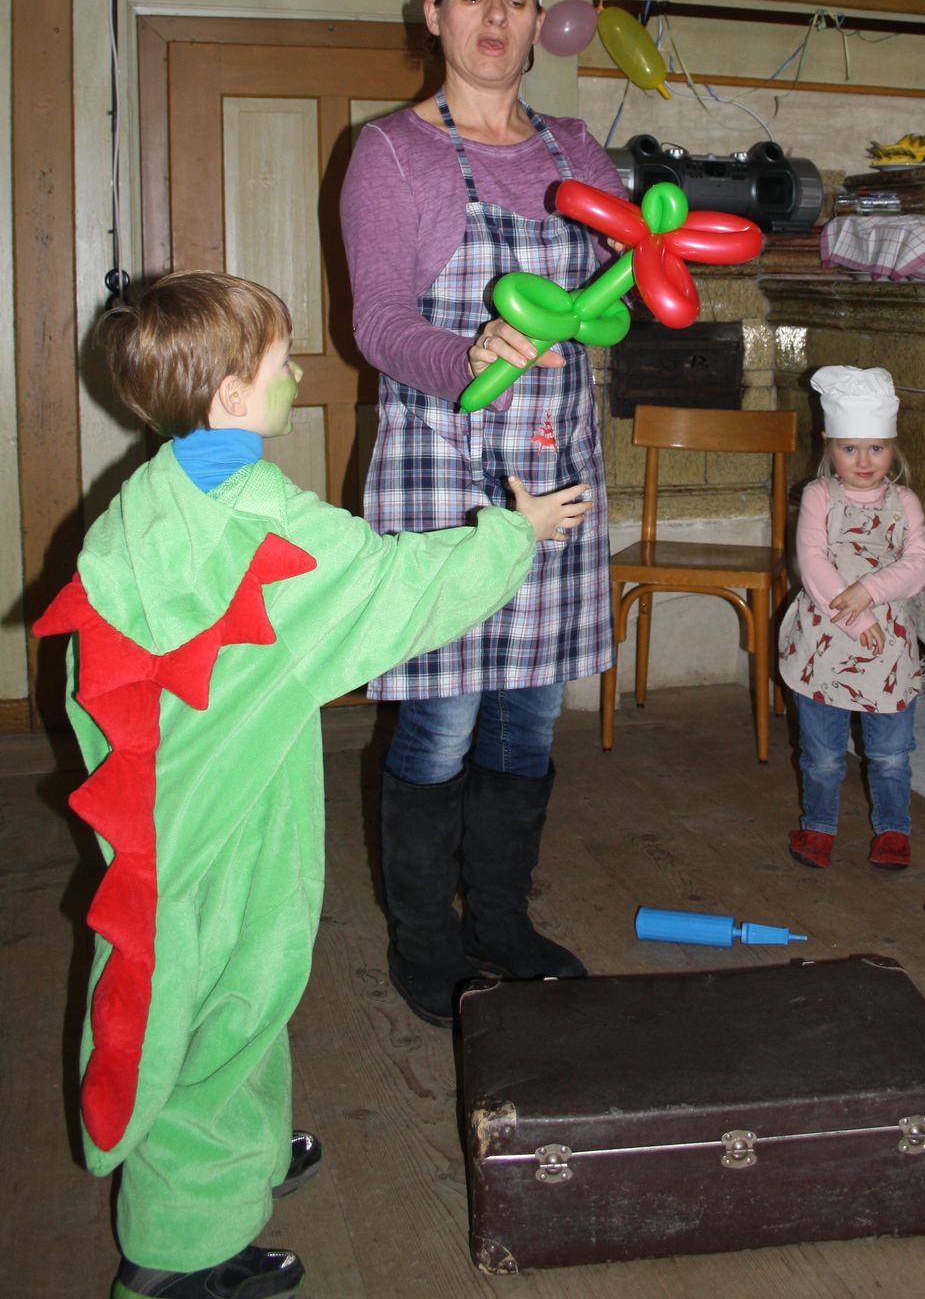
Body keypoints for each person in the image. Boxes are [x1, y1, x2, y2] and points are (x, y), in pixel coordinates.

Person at [35, 271, 587, 1299]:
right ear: (231, 397)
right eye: (280, 361)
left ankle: (233, 1150)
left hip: (164, 807)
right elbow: (396, 588)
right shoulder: (269, 528)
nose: (297, 373)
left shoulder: (149, 499)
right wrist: (516, 534)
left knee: (224, 988)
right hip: (234, 820)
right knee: (229, 1002)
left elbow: (92, 678)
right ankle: (176, 1248)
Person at [339, 0, 626, 1029]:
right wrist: (465, 357)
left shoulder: (577, 150)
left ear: (539, 16)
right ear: (435, 14)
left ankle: (501, 924)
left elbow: (614, 293)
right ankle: (425, 945)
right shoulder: (391, 152)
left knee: (528, 717)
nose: (495, 18)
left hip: (555, 469)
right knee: (443, 721)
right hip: (443, 473)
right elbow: (374, 321)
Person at [779, 365, 925, 873]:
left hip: (886, 647)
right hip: (825, 641)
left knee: (890, 754)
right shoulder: (819, 496)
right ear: (830, 446)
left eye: (876, 448)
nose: (863, 461)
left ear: (892, 447)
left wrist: (869, 591)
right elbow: (813, 563)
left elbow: (918, 564)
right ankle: (819, 825)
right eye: (850, 449)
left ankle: (893, 829)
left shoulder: (904, 502)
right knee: (823, 755)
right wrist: (855, 619)